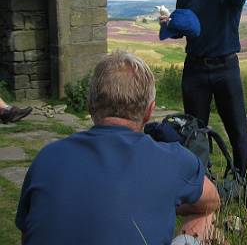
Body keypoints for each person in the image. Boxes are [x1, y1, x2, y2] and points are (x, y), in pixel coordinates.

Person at [16, 51, 221, 245]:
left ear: (90, 105)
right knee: (205, 218)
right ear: (150, 111)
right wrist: (163, 200)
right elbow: (212, 202)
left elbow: (28, 235)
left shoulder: (47, 158)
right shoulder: (174, 160)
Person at [159, 0, 247, 207]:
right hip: (195, 69)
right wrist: (169, 24)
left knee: (238, 131)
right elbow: (183, 29)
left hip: (226, 67)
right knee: (194, 131)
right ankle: (202, 188)